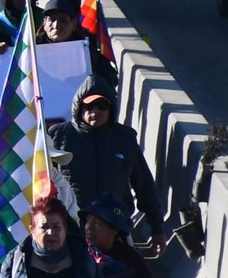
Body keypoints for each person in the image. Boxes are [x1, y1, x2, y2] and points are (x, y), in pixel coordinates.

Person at [46, 80, 161, 235]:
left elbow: (144, 186)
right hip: (72, 229)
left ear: (111, 109)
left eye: (102, 106)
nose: (95, 111)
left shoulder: (125, 138)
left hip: (115, 229)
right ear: (79, 108)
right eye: (89, 106)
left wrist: (157, 229)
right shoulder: (57, 136)